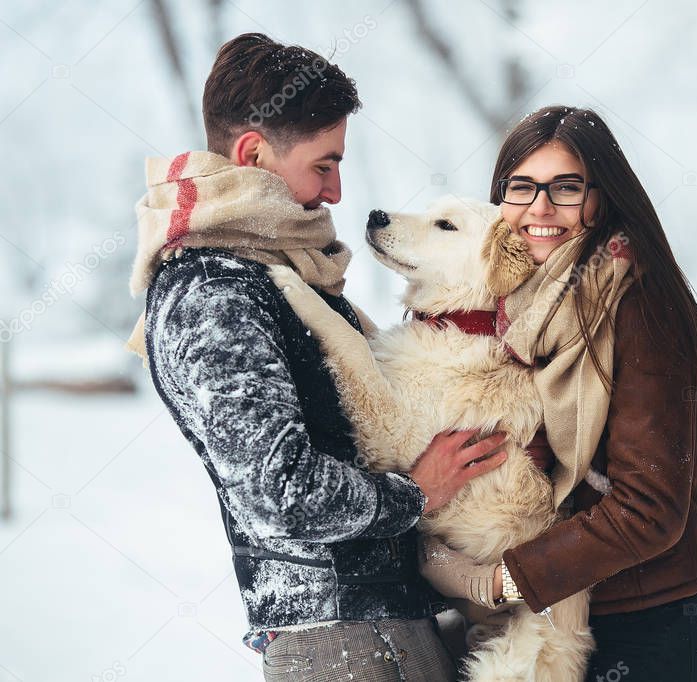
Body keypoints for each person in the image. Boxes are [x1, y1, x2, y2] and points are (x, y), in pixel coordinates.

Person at [125, 33, 507, 681]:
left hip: (383, 621)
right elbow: (279, 489)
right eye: (323, 164)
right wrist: (416, 493)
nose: (334, 192)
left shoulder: (276, 272)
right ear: (253, 153)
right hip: (339, 638)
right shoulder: (213, 292)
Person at [421, 105, 697, 682]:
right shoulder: (522, 309)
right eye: (522, 187)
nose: (540, 208)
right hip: (547, 618)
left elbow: (650, 509)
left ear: (602, 197)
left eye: (565, 188)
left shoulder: (636, 305)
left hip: (638, 624)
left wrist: (500, 581)